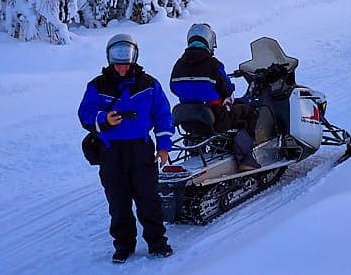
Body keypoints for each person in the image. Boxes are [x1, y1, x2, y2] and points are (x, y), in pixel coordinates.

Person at [77, 33, 175, 264]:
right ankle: (123, 246)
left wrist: (163, 147)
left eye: (126, 63)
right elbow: (84, 113)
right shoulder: (97, 85)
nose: (121, 69)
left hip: (141, 149)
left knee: (148, 199)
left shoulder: (149, 84)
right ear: (110, 60)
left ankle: (157, 242)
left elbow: (162, 115)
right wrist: (103, 119)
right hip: (111, 152)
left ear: (134, 59)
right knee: (118, 202)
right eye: (117, 64)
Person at [169, 23, 262, 172]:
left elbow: (173, 87)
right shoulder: (213, 64)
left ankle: (195, 152)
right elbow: (226, 89)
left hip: (188, 120)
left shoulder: (178, 65)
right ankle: (246, 158)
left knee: (232, 108)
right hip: (215, 118)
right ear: (209, 42)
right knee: (249, 111)